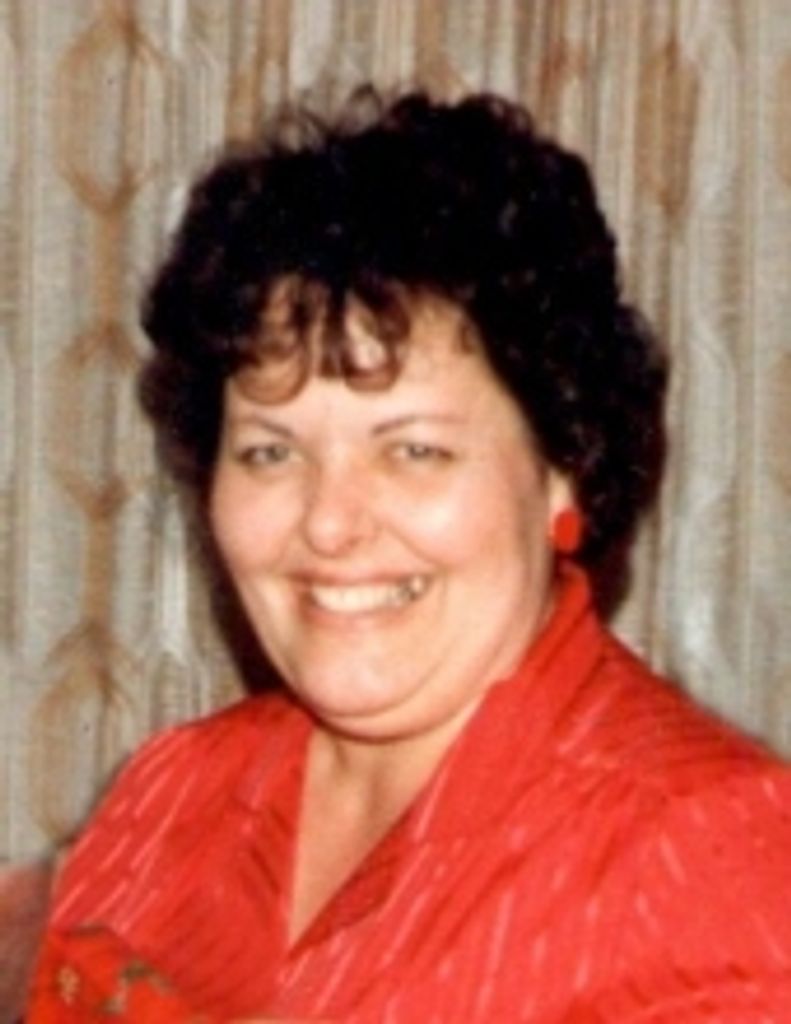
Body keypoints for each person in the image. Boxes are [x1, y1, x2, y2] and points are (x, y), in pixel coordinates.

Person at [26, 87, 791, 1022]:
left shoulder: (706, 855)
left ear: (564, 466)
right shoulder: (167, 795)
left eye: (413, 450)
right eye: (270, 452)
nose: (328, 523)